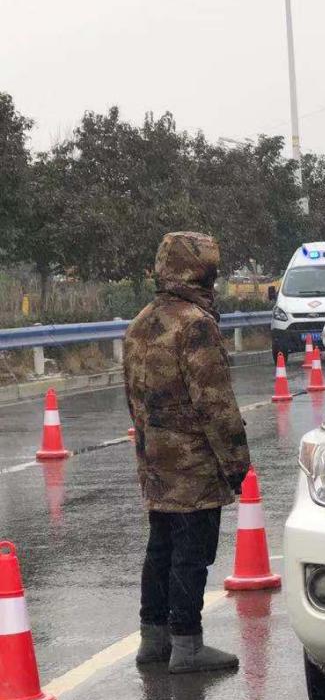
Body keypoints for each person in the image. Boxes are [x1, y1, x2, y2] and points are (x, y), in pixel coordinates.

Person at [124, 232, 250, 674]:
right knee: (192, 553)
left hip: (155, 460)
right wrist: (237, 463)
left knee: (160, 547)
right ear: (201, 272)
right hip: (194, 464)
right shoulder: (196, 325)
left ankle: (153, 638)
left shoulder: (141, 323)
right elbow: (215, 405)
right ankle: (187, 644)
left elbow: (133, 398)